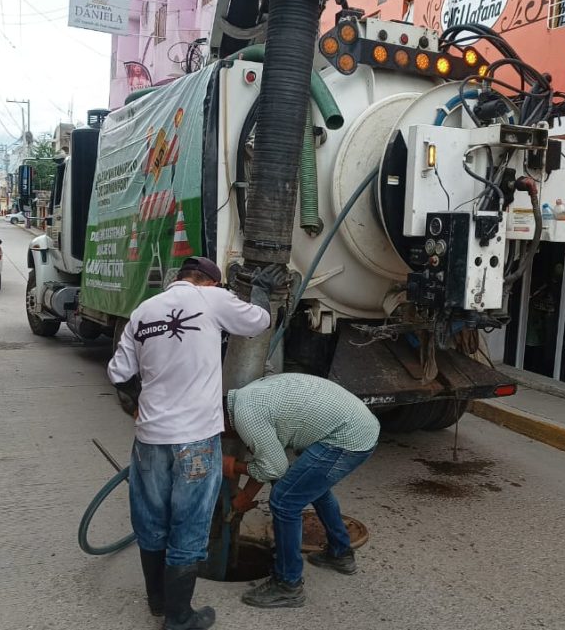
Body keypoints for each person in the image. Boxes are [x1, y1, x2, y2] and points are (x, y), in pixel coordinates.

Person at [107, 256, 284, 630]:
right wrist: (261, 291)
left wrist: (140, 405)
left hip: (150, 440)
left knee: (152, 524)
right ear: (209, 282)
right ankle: (179, 617)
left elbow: (119, 374)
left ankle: (158, 602)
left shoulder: (143, 311)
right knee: (188, 527)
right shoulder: (210, 298)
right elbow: (259, 322)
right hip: (195, 442)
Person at [224, 373, 380, 609]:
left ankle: (288, 585)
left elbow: (273, 467)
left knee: (284, 501)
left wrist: (231, 466)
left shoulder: (247, 417)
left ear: (220, 423)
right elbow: (271, 466)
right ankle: (340, 554)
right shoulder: (246, 397)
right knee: (312, 489)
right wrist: (245, 496)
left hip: (347, 438)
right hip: (359, 426)